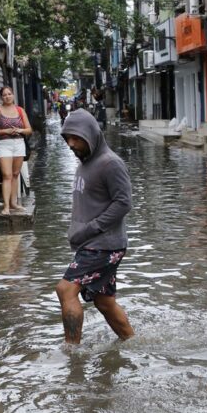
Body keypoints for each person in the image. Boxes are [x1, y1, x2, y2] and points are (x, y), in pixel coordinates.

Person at [55, 110, 134, 343]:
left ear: (91, 135)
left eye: (76, 138)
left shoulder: (110, 163)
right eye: (67, 138)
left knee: (65, 289)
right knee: (104, 302)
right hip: (92, 243)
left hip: (103, 244)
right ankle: (132, 342)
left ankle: (72, 354)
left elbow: (124, 203)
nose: (71, 144)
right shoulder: (85, 162)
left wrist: (92, 228)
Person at [0, 86, 32, 215]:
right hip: (3, 143)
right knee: (7, 175)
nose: (7, 96)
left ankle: (14, 203)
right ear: (1, 97)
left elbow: (29, 129)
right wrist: (4, 131)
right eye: (4, 95)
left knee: (16, 174)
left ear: (13, 95)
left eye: (9, 94)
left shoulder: (20, 110)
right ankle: (6, 206)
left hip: (19, 143)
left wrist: (20, 130)